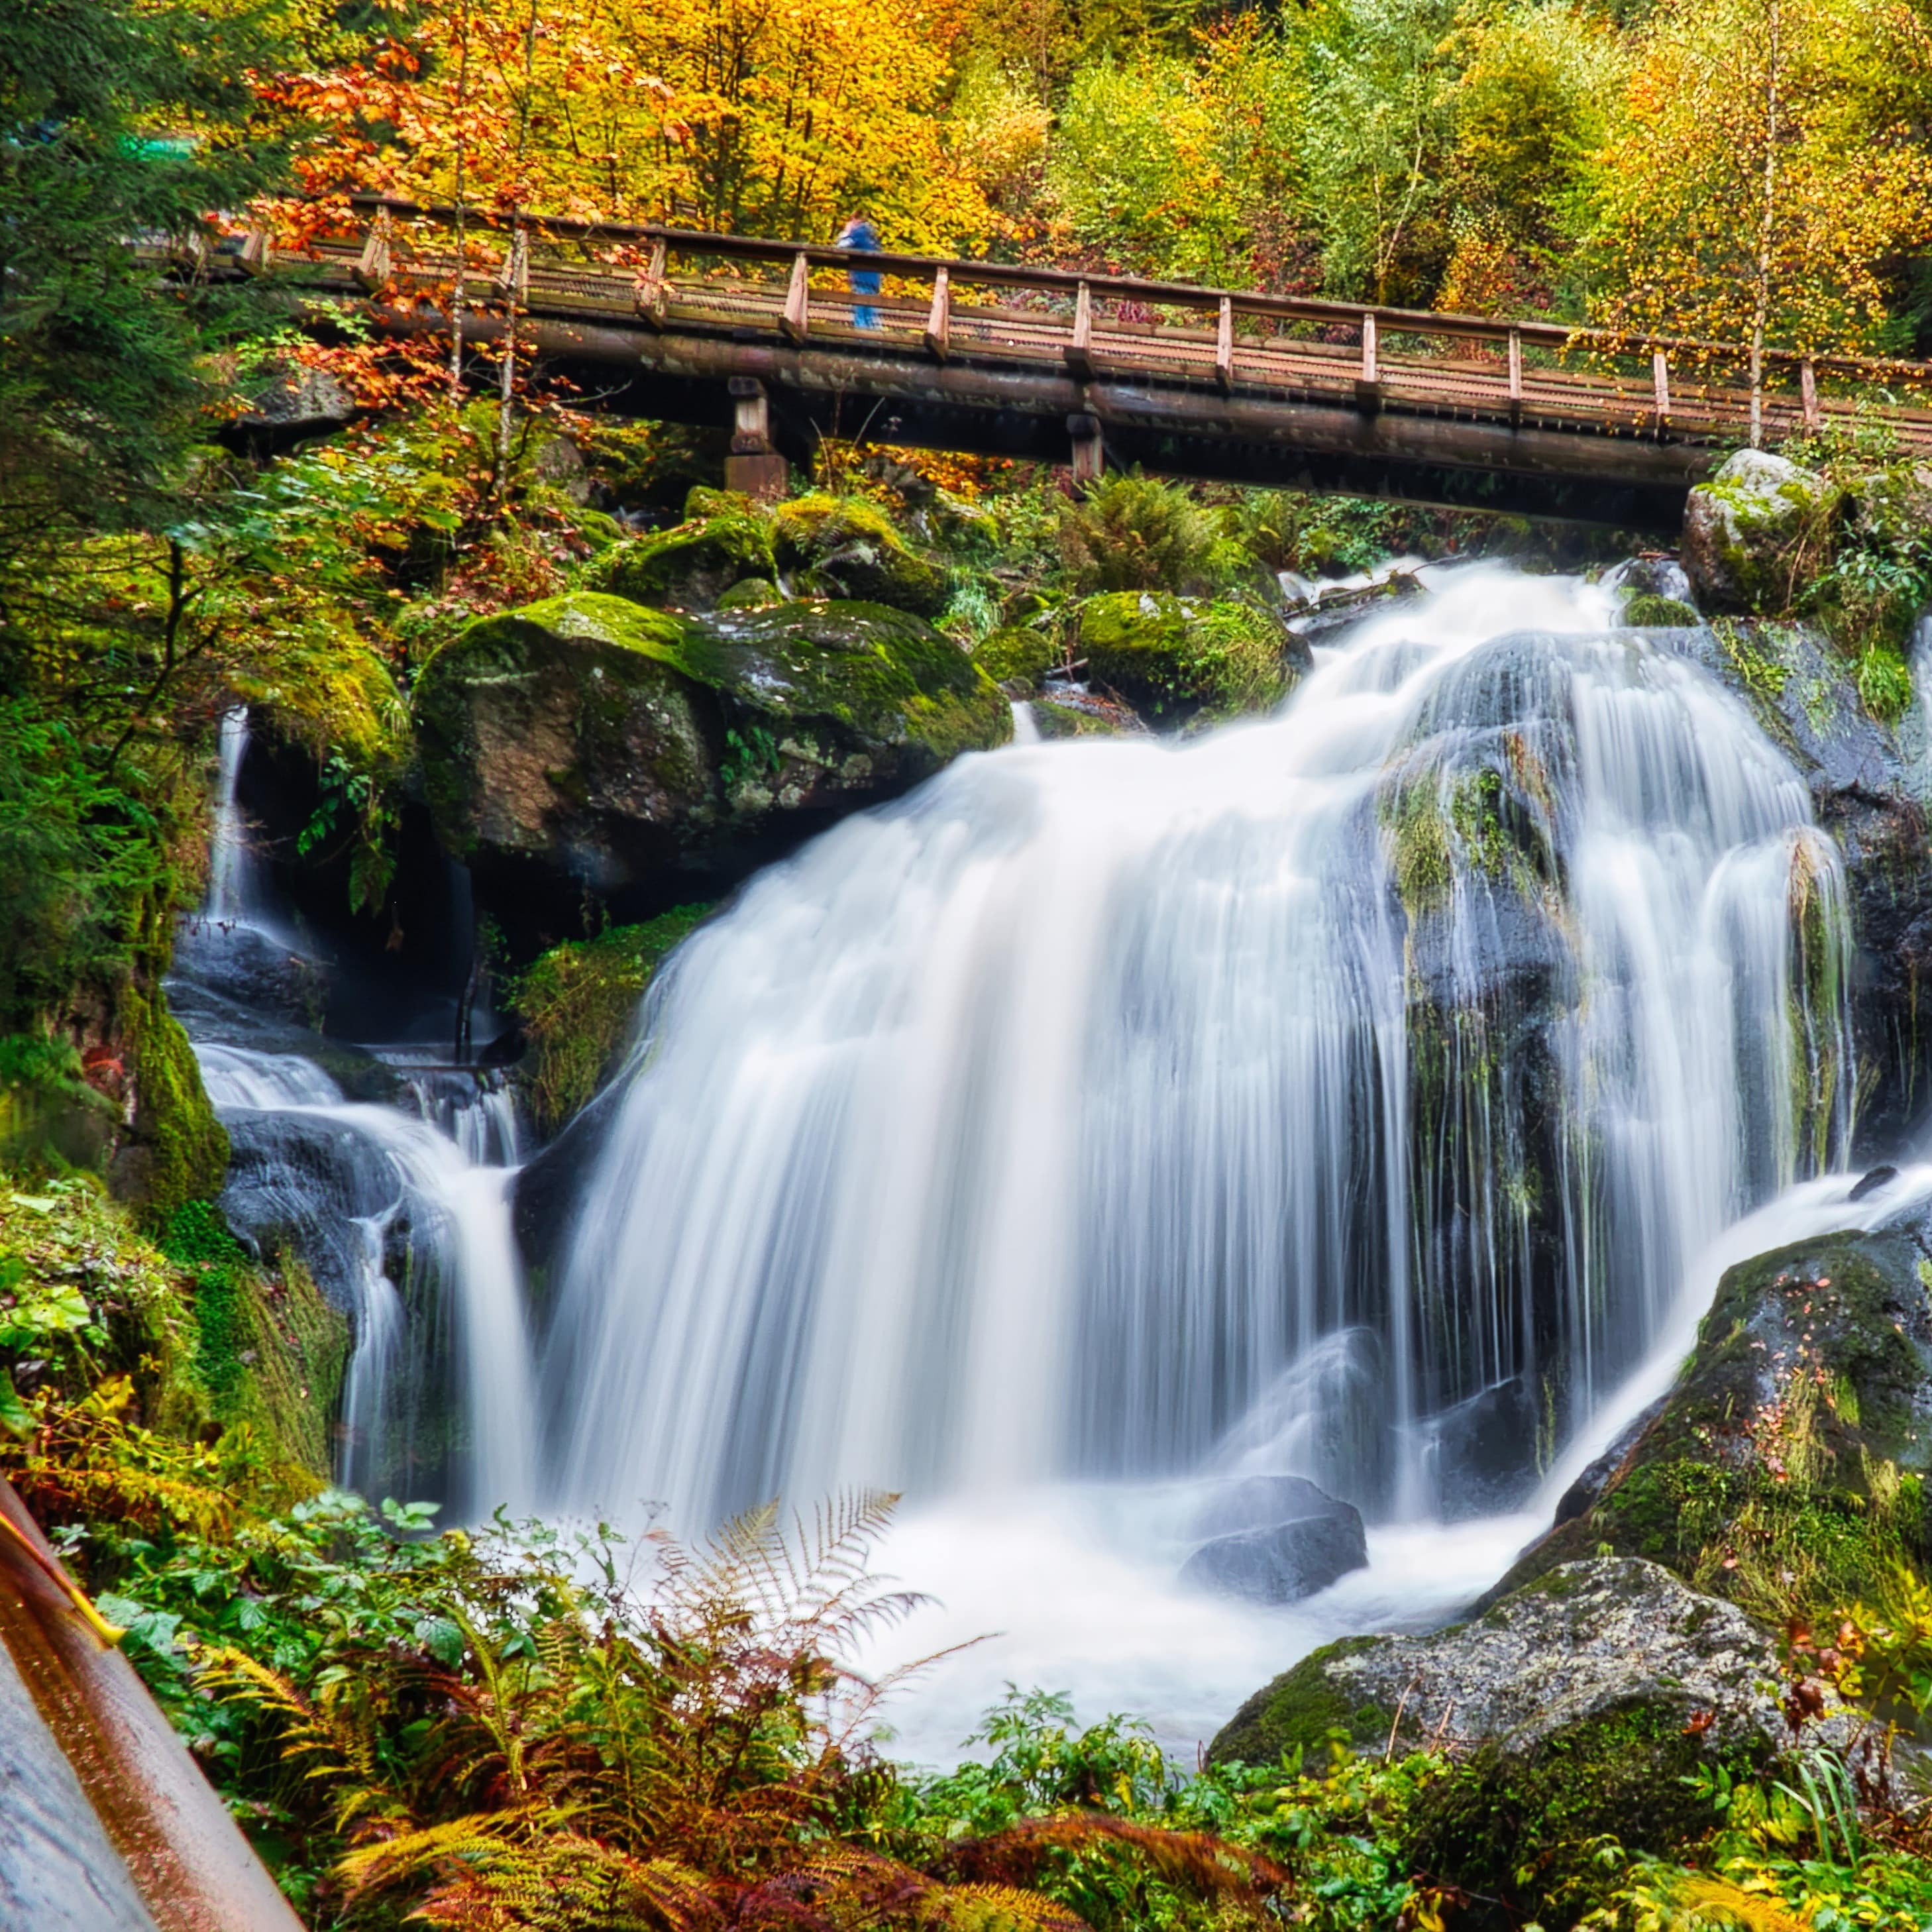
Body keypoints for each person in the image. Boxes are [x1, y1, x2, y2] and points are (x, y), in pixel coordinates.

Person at [835, 215, 882, 329]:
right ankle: (877, 341)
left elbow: (840, 246)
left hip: (862, 279)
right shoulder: (872, 236)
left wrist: (847, 232)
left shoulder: (859, 232)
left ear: (855, 220)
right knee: (871, 315)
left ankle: (861, 341)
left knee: (861, 314)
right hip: (873, 280)